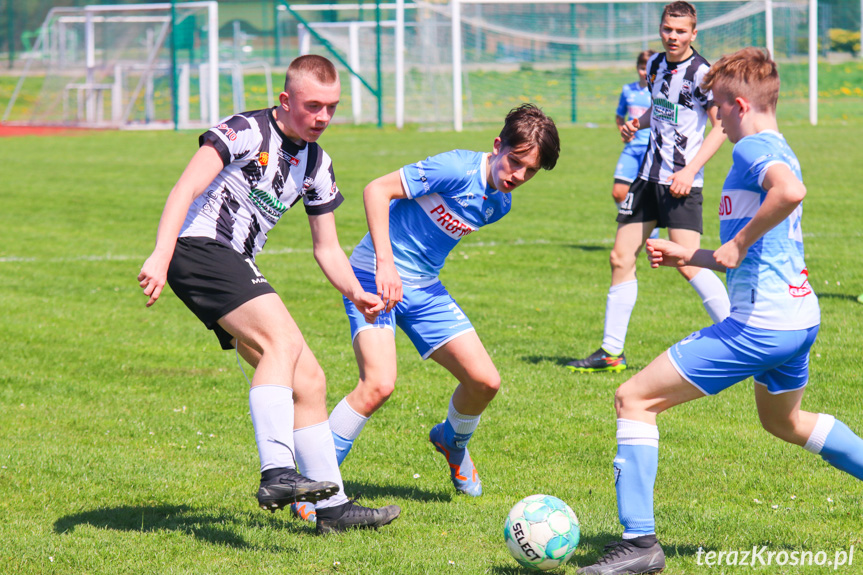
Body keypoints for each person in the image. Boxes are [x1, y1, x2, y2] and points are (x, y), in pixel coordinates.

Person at [576, 47, 863, 575]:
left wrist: (738, 242)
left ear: (737, 105)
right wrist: (696, 255)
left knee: (633, 399)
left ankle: (640, 546)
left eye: (715, 107)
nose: (713, 118)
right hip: (798, 320)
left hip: (761, 325)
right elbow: (754, 247)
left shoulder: (754, 149)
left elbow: (791, 193)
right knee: (787, 422)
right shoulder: (775, 146)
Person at [136, 55, 400, 535]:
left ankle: (332, 509)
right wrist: (160, 252)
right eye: (313, 106)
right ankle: (276, 472)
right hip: (199, 248)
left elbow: (327, 248)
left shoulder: (317, 163)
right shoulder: (244, 131)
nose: (322, 117)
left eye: (332, 108)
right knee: (284, 343)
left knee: (311, 380)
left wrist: (356, 291)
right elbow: (184, 188)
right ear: (286, 100)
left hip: (233, 261)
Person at [320, 104, 559, 505]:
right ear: (498, 145)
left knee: (485, 381)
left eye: (530, 172)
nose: (518, 176)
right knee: (378, 385)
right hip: (372, 277)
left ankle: (452, 442)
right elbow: (377, 191)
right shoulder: (455, 168)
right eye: (516, 162)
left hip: (423, 287)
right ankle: (315, 485)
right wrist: (386, 264)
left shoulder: (499, 203)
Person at [566, 1, 730, 374]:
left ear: (693, 33)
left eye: (680, 31)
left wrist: (690, 171)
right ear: (661, 29)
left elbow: (720, 126)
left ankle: (738, 335)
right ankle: (611, 352)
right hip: (646, 178)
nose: (673, 36)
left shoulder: (703, 73)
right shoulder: (655, 65)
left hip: (681, 182)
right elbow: (661, 107)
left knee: (687, 263)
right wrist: (636, 124)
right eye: (667, 29)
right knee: (620, 258)